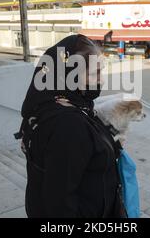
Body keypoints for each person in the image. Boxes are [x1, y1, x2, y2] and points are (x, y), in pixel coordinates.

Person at [18, 34, 126, 218]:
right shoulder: (68, 125)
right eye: (95, 73)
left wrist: (112, 143)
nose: (102, 80)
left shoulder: (59, 105)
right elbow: (60, 203)